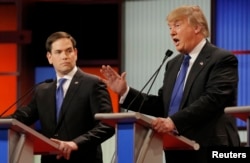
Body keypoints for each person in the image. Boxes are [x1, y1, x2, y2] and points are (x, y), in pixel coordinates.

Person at [100, 5, 240, 163]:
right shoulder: (173, 64)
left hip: (210, 148)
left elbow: (213, 99)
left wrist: (173, 122)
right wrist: (125, 91)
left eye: (177, 25)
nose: (172, 32)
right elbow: (162, 105)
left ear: (197, 27)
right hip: (177, 150)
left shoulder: (221, 59)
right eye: (170, 27)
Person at [9, 31, 115, 163]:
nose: (64, 56)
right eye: (58, 52)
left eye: (68, 51)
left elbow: (107, 125)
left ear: (75, 53)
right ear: (49, 57)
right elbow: (21, 118)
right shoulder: (42, 90)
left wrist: (75, 144)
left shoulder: (93, 83)